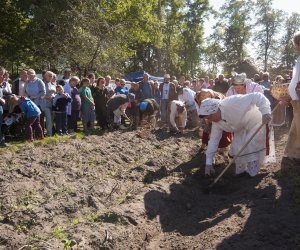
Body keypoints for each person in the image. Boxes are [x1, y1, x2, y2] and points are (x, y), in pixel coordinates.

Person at [199, 92, 272, 177]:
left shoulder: (233, 102)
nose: (210, 121)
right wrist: (209, 163)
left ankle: (252, 174)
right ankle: (242, 172)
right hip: (241, 127)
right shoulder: (216, 123)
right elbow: (213, 140)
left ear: (215, 110)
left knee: (251, 146)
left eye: (210, 117)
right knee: (237, 148)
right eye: (207, 119)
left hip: (256, 120)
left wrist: (266, 112)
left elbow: (257, 96)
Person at [281, 31, 300, 166]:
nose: (294, 47)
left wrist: (292, 95)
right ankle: (292, 152)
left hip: (298, 99)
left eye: (295, 45)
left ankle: (295, 153)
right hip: (296, 99)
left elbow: (296, 82)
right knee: (296, 126)